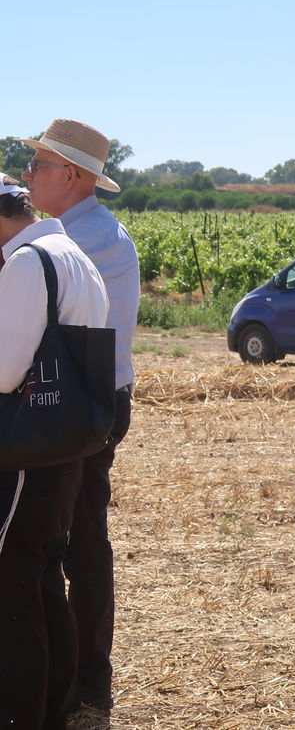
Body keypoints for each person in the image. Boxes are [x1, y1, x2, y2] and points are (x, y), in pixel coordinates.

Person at [17, 118, 140, 715]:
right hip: (84, 397)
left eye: (37, 166)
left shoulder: (75, 240)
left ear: (70, 174)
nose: (26, 176)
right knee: (69, 538)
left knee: (76, 543)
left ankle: (86, 684)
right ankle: (78, 682)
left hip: (82, 404)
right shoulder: (84, 230)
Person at [0, 175, 110, 728]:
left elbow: (4, 373)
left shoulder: (27, 263)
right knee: (43, 577)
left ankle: (20, 715)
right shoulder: (70, 252)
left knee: (12, 590)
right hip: (66, 443)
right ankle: (56, 709)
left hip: (26, 450)